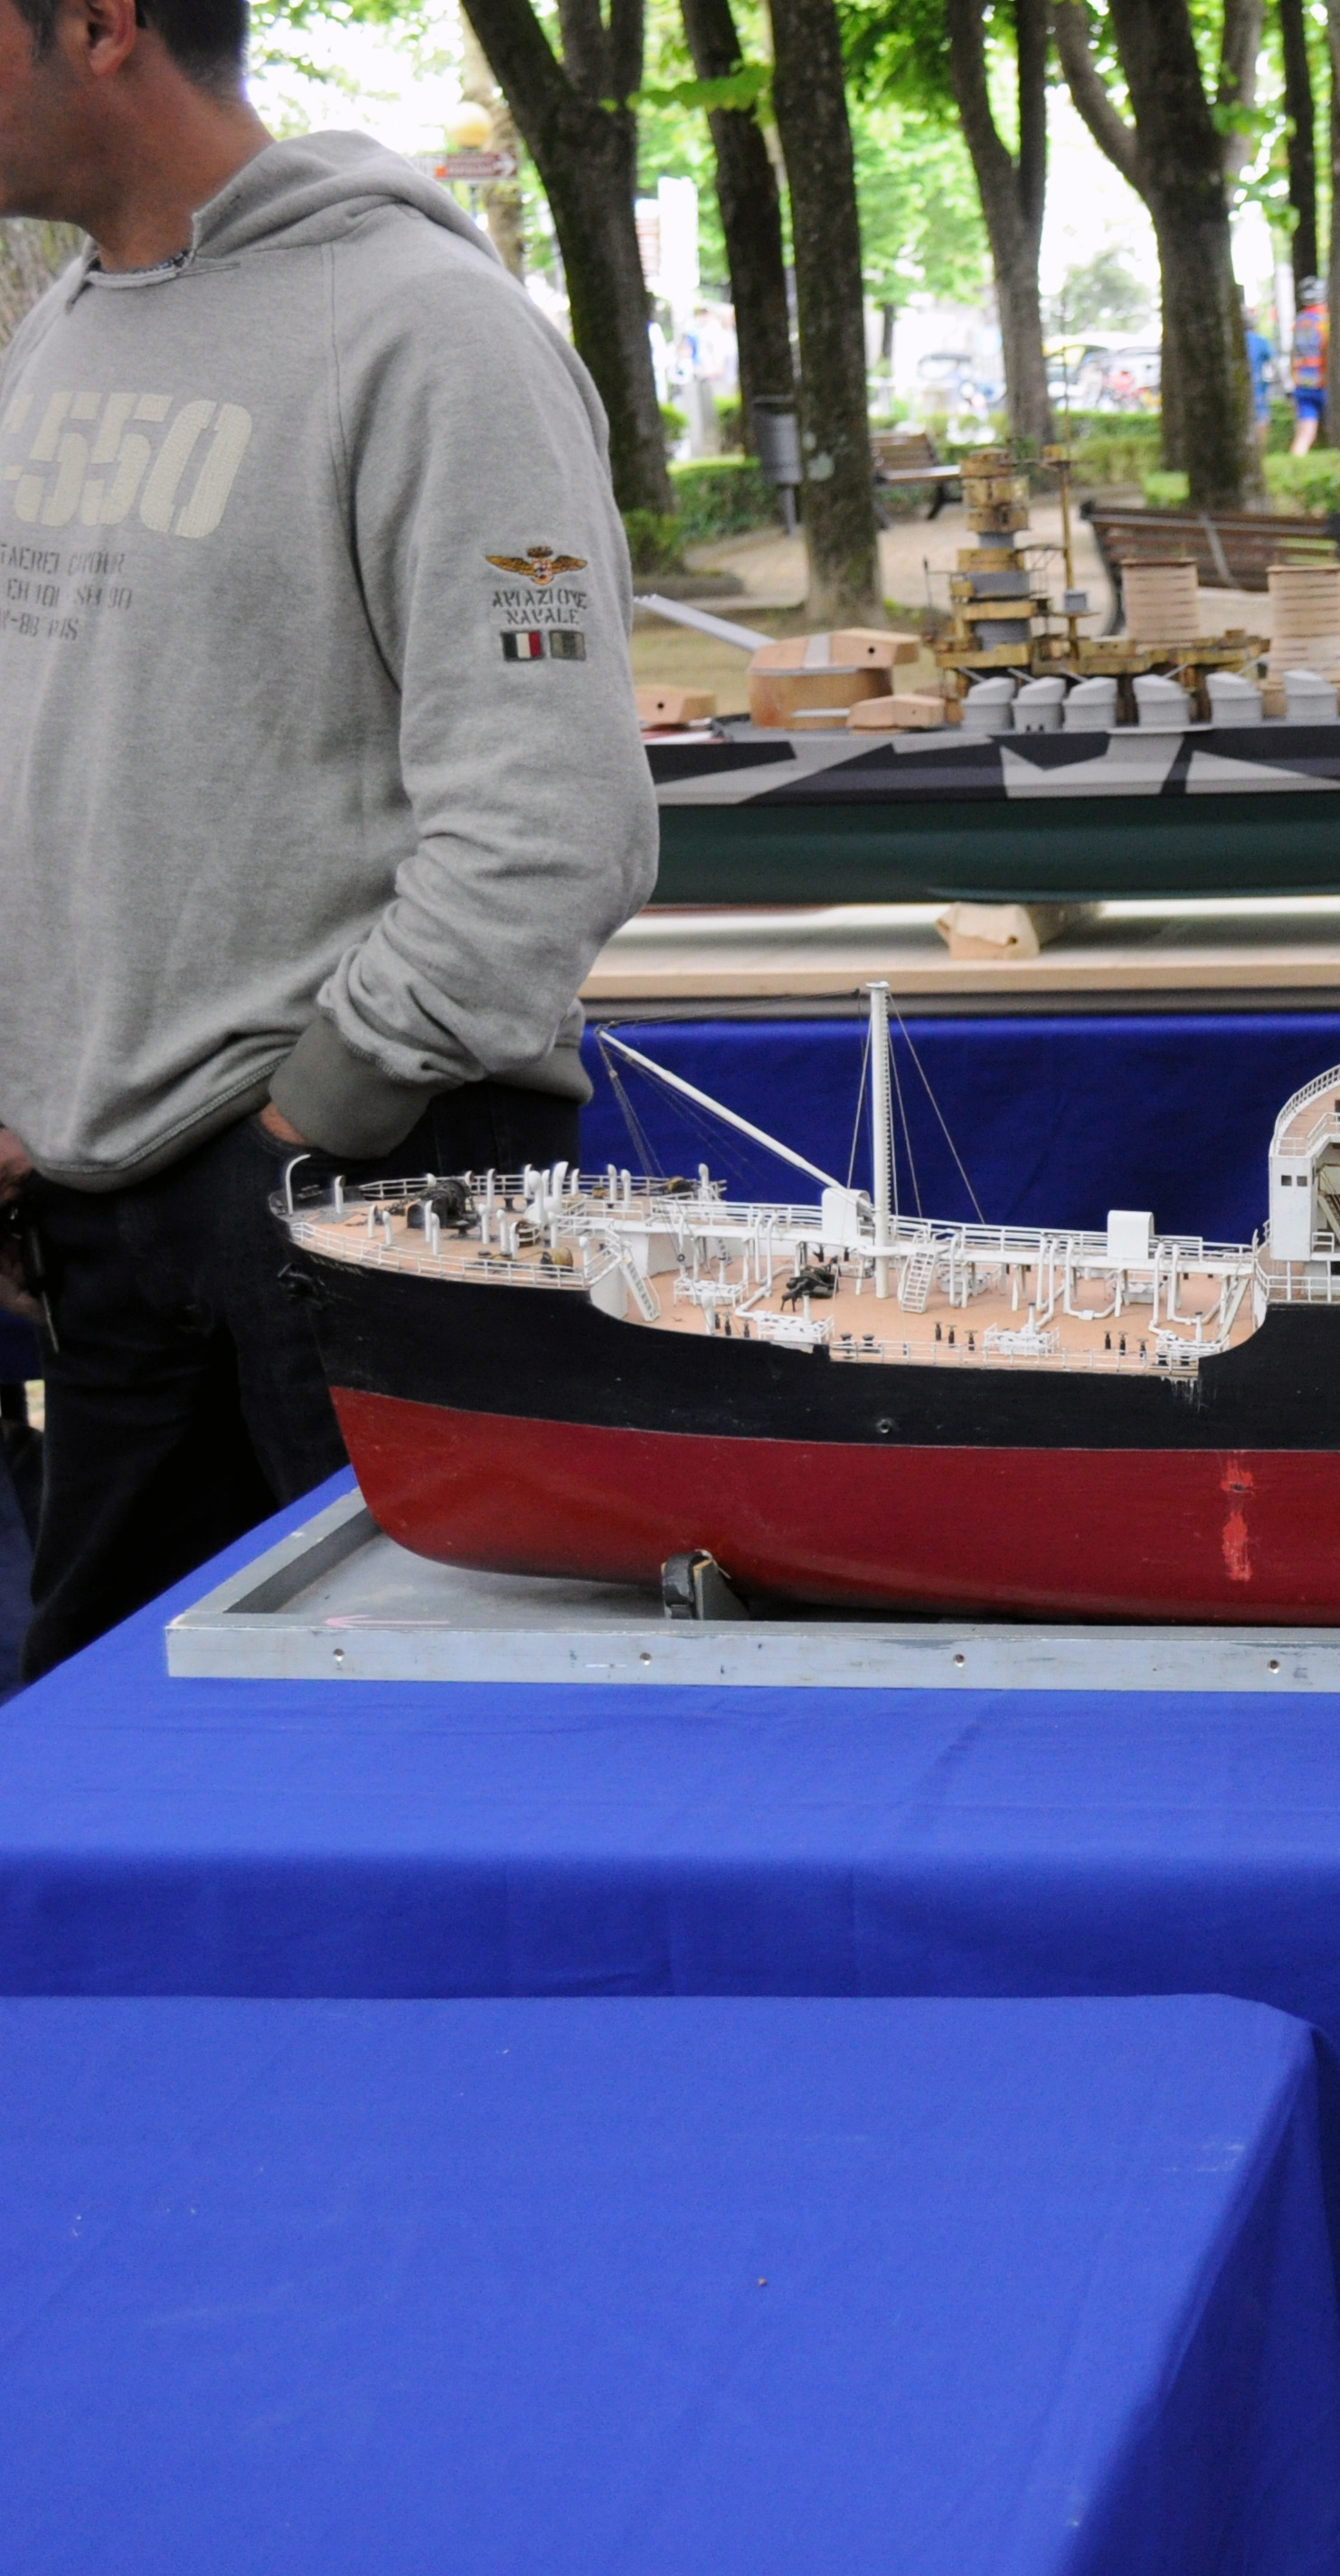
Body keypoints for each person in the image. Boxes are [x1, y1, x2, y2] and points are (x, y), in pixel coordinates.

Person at [0, 0, 657, 1678]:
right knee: (110, 1749)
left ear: (100, 26)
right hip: (105, 1215)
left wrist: (318, 1116)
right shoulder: (62, 330)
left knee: (430, 1739)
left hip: (364, 1190)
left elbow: (554, 816)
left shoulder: (431, 331)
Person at [1288, 276, 1326, 455]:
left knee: (1305, 433)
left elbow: (1293, 353)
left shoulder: (1299, 322)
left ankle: (1296, 459)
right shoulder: (1325, 320)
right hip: (1324, 382)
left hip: (1303, 382)